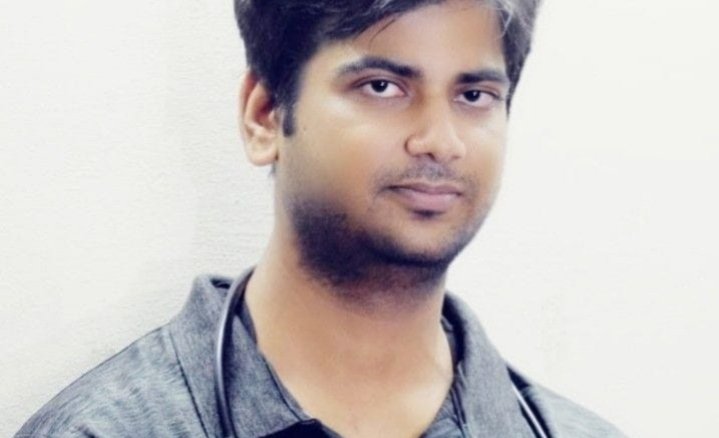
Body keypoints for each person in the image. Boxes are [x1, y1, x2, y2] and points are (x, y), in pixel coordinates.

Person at [16, 0, 627, 437]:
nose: (441, 141)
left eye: (474, 96)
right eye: (382, 86)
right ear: (264, 116)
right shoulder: (102, 429)